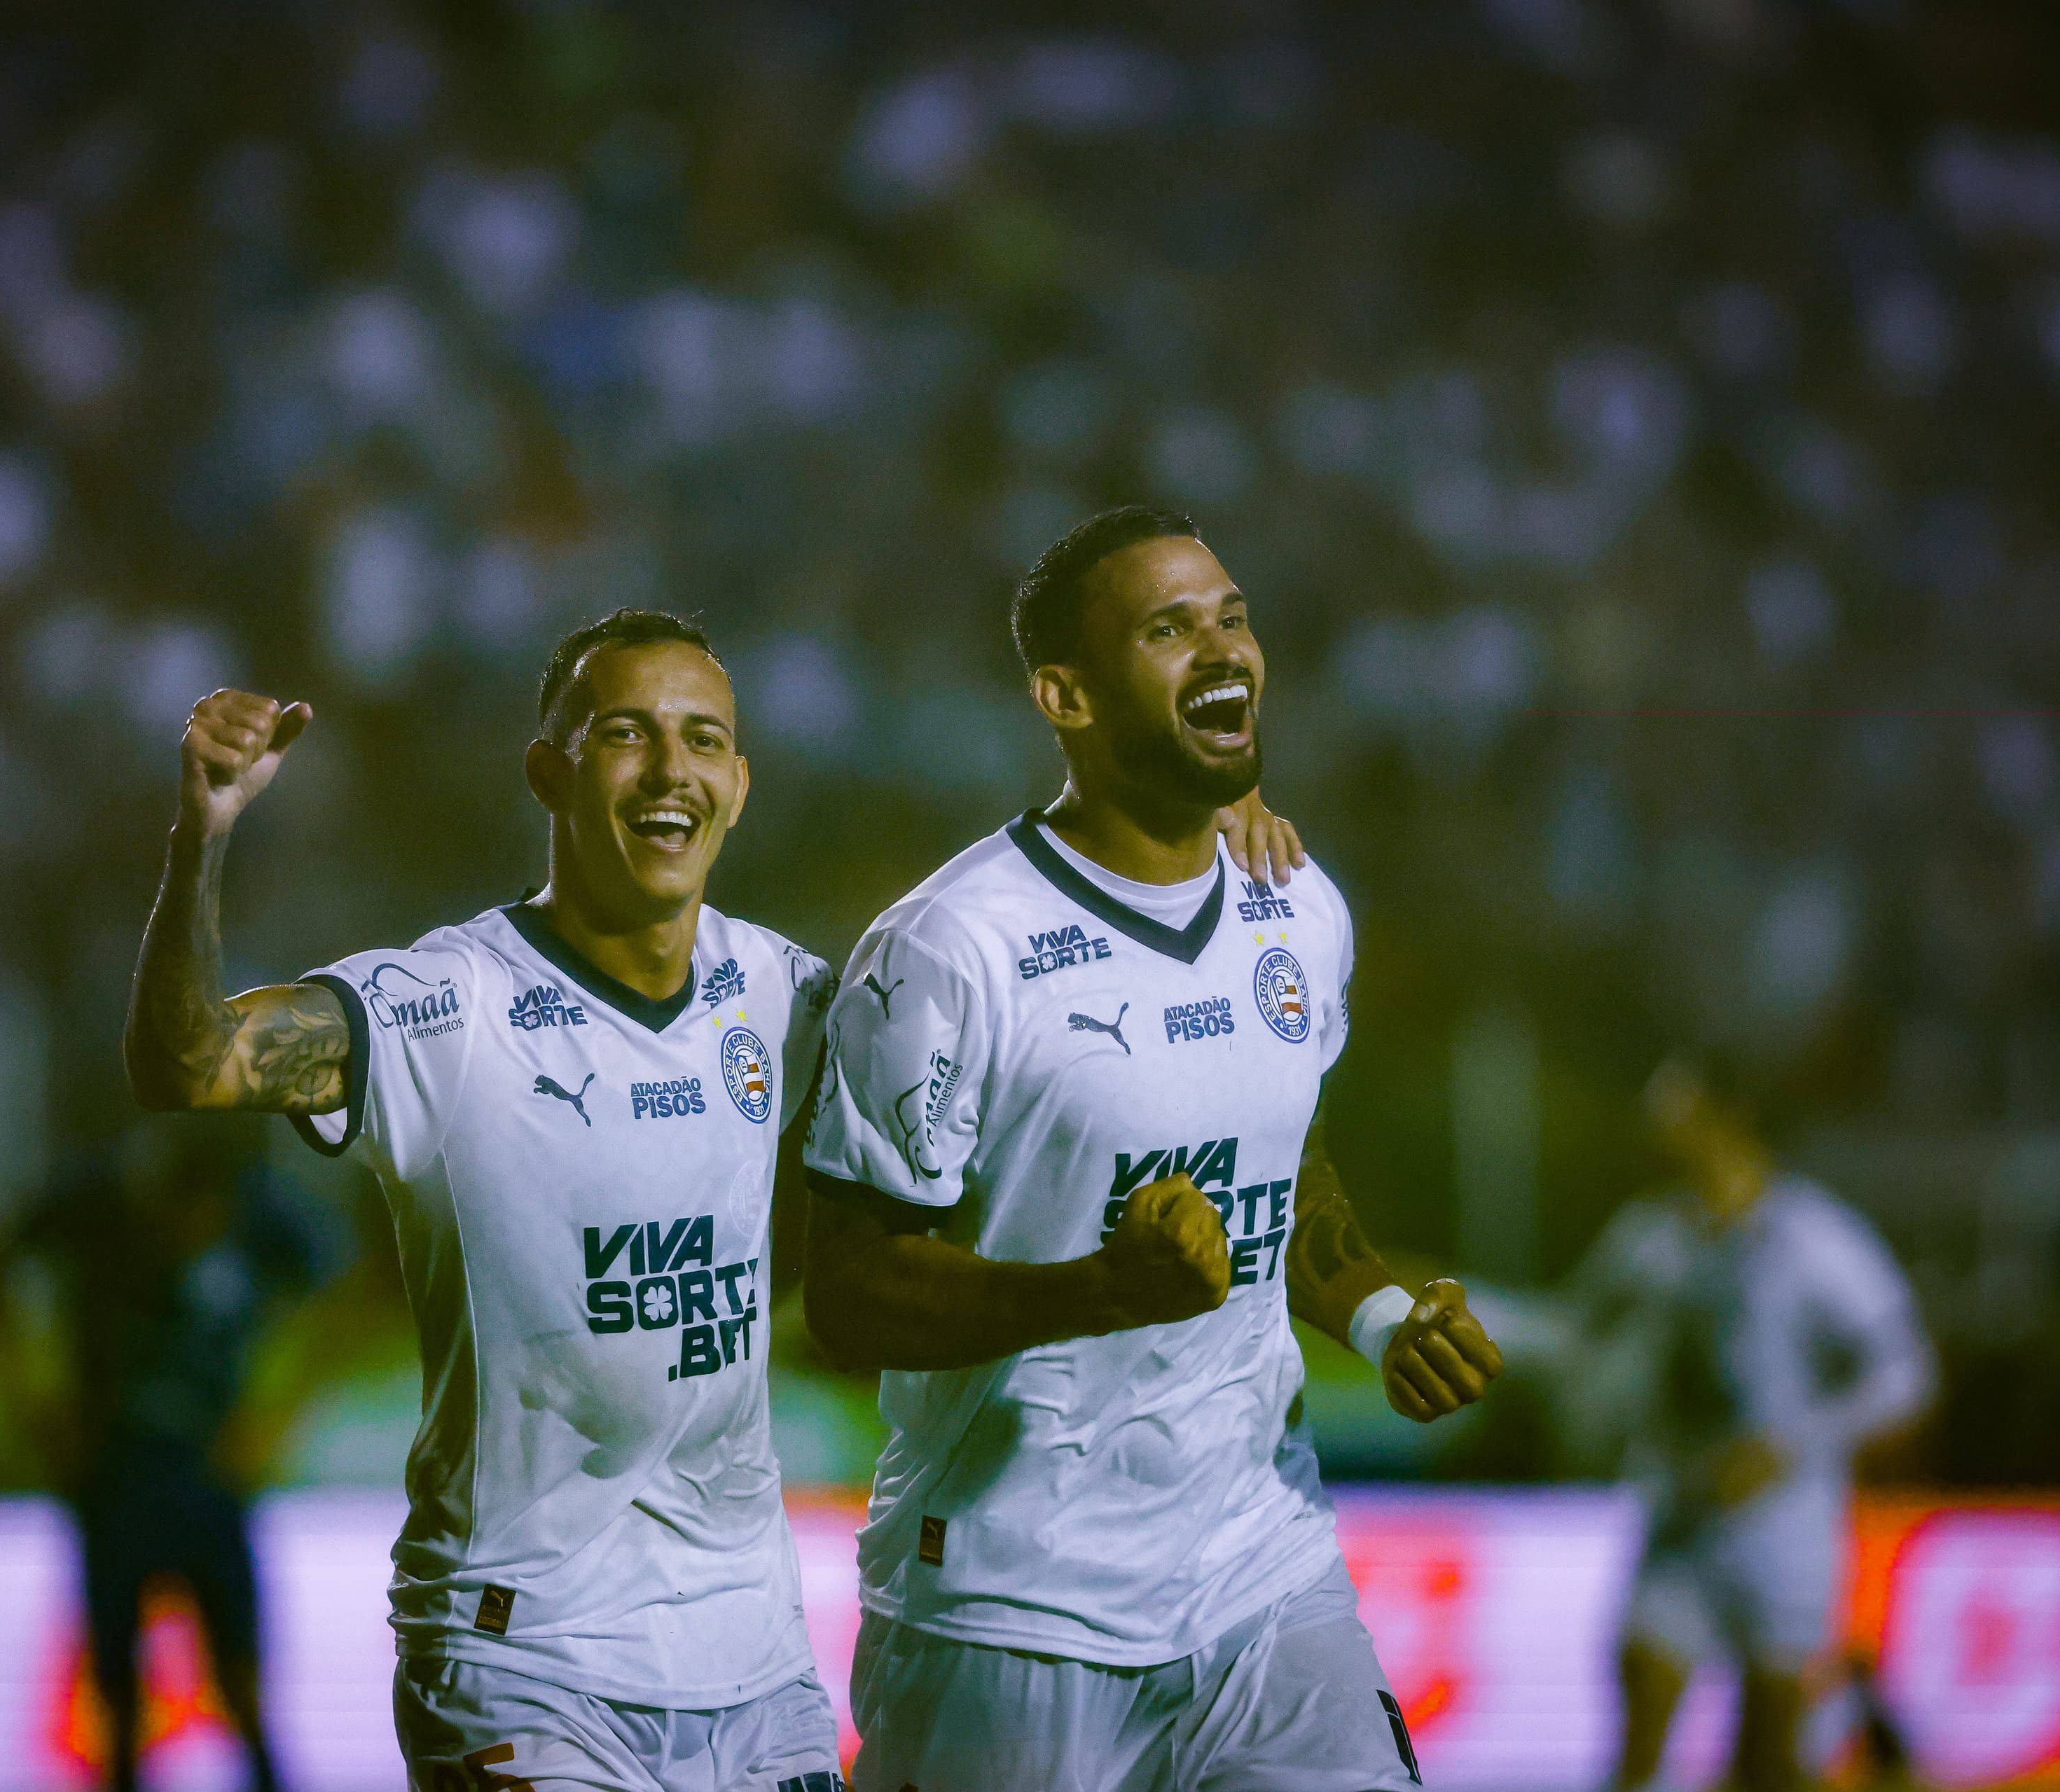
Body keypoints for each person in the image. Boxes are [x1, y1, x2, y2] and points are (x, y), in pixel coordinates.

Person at [123, 608, 1295, 1791]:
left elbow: (1009, 1048)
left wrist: (1173, 837)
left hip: (757, 1666)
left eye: (702, 738)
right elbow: (188, 1063)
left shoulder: (787, 998)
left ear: (737, 785)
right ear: (550, 770)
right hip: (526, 1654)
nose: (670, 766)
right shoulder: (445, 1005)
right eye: (626, 733)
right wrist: (202, 832)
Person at [801, 505, 1507, 1791]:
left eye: (1232, 616)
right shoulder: (947, 950)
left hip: (1262, 1570)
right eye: (1169, 628)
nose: (1222, 648)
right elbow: (847, 1293)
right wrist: (1094, 1292)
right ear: (1064, 694)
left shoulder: (1297, 906)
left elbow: (1289, 1176)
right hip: (1013, 1607)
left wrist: (1386, 1315)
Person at [1573, 1051, 1931, 1792]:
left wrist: (1796, 1445)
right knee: (1638, 1730)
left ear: (1725, 1117)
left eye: (1674, 1102)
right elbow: (1578, 1330)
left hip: (1784, 1537)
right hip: (1681, 1519)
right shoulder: (1653, 1236)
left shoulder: (1814, 1237)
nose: (1654, 1120)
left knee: (1769, 1763)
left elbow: (1905, 1371)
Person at [7, 1118, 345, 1792]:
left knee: (244, 1685)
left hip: (211, 1482)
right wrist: (39, 1399)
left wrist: (279, 1413)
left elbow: (342, 1299)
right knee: (119, 1697)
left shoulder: (265, 1213)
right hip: (116, 1478)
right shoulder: (91, 1204)